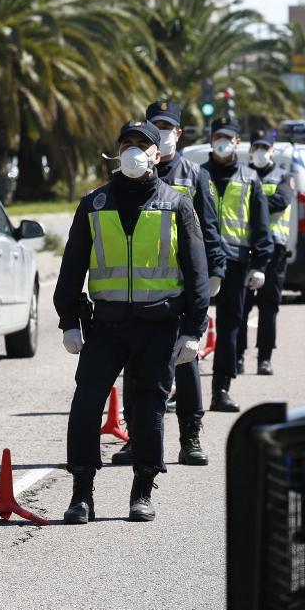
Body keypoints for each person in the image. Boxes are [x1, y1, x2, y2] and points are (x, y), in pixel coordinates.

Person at [54, 120, 209, 524]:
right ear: (117, 151)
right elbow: (71, 269)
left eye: (144, 145)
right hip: (104, 327)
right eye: (128, 144)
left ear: (158, 155)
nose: (135, 151)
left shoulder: (177, 205)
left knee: (148, 409)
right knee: (86, 405)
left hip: (157, 327)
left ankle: (142, 490)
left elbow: (196, 275)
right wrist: (69, 320)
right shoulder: (94, 204)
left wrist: (193, 331)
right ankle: (81, 493)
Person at [113, 100, 226, 468]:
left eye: (167, 126)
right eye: (154, 125)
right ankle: (136, 437)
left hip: (180, 290)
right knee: (135, 369)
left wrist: (214, 272)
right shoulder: (131, 173)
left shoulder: (194, 176)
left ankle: (190, 437)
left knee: (186, 362)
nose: (160, 133)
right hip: (141, 293)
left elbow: (209, 229)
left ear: (179, 132)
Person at [201, 117, 272, 412]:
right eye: (218, 136)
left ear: (237, 142)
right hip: (198, 262)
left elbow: (261, 226)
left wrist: (260, 265)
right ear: (210, 140)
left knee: (230, 327)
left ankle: (221, 390)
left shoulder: (249, 179)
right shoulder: (197, 175)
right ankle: (177, 389)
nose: (222, 142)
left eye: (227, 138)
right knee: (186, 329)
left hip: (236, 264)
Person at [237, 128, 295, 376]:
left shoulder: (284, 176)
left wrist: (255, 202)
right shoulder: (243, 176)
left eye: (265, 148)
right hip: (247, 248)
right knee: (241, 307)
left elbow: (281, 201)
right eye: (256, 147)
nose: (260, 152)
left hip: (275, 252)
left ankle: (264, 358)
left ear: (272, 151)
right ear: (250, 150)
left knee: (269, 307)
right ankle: (237, 357)